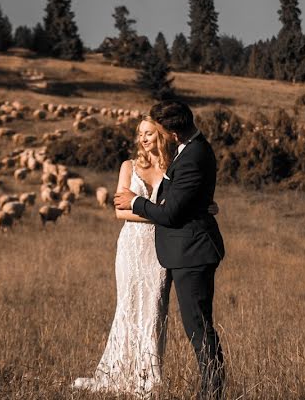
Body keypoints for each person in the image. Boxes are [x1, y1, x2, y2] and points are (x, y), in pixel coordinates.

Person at [74, 115, 218, 396]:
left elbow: (186, 202)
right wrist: (163, 214)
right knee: (128, 306)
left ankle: (148, 377)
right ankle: (119, 371)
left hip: (161, 248)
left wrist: (192, 210)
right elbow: (119, 210)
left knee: (154, 310)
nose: (143, 138)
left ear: (162, 135)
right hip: (132, 246)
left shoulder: (173, 167)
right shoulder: (129, 166)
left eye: (149, 133)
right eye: (140, 133)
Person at [114, 100, 226, 400]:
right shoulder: (190, 151)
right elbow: (181, 199)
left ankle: (212, 391)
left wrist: (135, 202)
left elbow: (173, 212)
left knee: (198, 328)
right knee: (196, 326)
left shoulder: (193, 155)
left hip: (192, 252)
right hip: (181, 250)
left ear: (173, 132)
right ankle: (209, 388)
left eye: (159, 131)